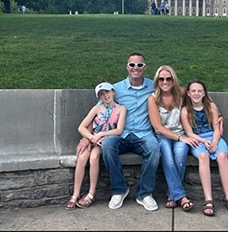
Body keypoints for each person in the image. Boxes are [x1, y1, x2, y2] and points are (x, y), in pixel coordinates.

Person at [77, 52, 161, 211]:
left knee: (155, 150)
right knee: (108, 146)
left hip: (144, 134)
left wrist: (207, 102)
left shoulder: (154, 87)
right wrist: (86, 138)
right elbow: (98, 111)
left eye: (139, 65)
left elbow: (178, 92)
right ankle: (119, 190)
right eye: (132, 65)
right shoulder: (115, 89)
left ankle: (145, 194)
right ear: (127, 67)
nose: (135, 68)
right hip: (119, 134)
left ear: (145, 67)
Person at [181, 79, 228, 217]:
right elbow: (189, 133)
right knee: (203, 156)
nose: (196, 93)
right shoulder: (185, 110)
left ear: (204, 93)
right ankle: (208, 199)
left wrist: (214, 141)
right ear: (188, 94)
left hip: (214, 137)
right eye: (193, 91)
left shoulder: (211, 106)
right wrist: (203, 141)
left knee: (222, 156)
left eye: (199, 91)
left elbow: (217, 128)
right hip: (197, 139)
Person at [65, 82, 127, 211]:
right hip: (93, 139)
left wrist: (102, 135)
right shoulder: (97, 109)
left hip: (104, 140)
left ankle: (91, 193)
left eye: (107, 92)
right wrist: (91, 137)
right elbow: (81, 127)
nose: (105, 96)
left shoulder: (121, 109)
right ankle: (75, 195)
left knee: (94, 158)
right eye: (102, 95)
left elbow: (119, 130)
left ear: (113, 92)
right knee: (82, 159)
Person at [148, 65, 198, 211]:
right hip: (162, 135)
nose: (165, 82)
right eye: (161, 79)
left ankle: (172, 194)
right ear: (156, 81)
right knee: (167, 156)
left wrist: (218, 117)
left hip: (182, 134)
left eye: (169, 78)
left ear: (173, 80)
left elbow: (205, 99)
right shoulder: (152, 99)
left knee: (180, 154)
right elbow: (158, 127)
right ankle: (181, 197)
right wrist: (180, 138)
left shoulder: (182, 93)